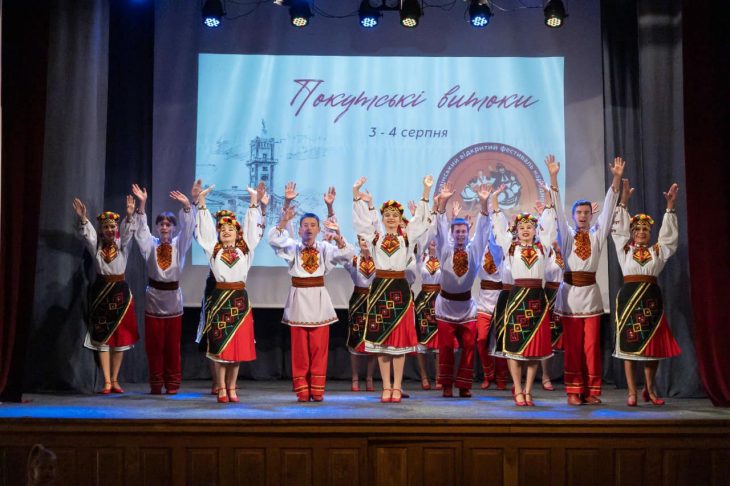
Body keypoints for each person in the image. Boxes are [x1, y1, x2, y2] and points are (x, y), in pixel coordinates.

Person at [547, 154, 625, 405]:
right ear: (573, 216)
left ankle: (590, 390)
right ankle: (573, 390)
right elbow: (557, 211)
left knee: (591, 346)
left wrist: (616, 179)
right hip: (570, 296)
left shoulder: (597, 235)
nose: (582, 216)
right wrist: (554, 177)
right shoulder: (567, 235)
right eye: (578, 212)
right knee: (573, 346)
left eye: (586, 212)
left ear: (591, 215)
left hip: (591, 296)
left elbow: (609, 209)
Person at [268, 183, 354, 402]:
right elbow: (274, 239)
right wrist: (285, 213)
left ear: (318, 230)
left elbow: (347, 254)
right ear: (299, 230)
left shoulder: (325, 248)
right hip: (298, 300)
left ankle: (317, 388)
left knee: (319, 347)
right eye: (305, 225)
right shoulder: (293, 248)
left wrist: (333, 217)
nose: (308, 228)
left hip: (318, 300)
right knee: (299, 349)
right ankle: (302, 389)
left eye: (313, 225)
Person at [352, 175, 433, 403]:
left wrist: (426, 191)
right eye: (387, 215)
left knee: (399, 343)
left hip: (400, 289)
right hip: (380, 290)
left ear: (400, 219)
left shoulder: (407, 237)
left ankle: (397, 387)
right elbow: (361, 223)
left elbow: (421, 221)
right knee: (382, 344)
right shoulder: (375, 237)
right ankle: (386, 387)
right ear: (382, 218)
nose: (390, 218)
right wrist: (356, 195)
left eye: (395, 215)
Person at [612, 180, 681, 406]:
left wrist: (670, 207)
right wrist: (623, 201)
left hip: (651, 300)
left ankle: (649, 389)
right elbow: (618, 231)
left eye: (645, 229)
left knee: (652, 346)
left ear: (650, 233)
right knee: (629, 345)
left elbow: (669, 239)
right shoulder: (624, 249)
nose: (641, 232)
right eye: (637, 229)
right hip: (629, 299)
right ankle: (632, 392)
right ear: (632, 233)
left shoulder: (657, 251)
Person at [195, 182, 265, 403]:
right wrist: (202, 202)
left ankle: (232, 387)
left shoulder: (245, 249)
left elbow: (253, 230)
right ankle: (222, 388)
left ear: (237, 233)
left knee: (236, 349)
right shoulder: (213, 250)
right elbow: (205, 231)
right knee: (220, 347)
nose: (226, 232)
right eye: (223, 229)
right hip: (219, 300)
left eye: (230, 229)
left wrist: (253, 202)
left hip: (239, 301)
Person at [491, 185, 556, 406]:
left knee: (534, 349)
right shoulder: (511, 247)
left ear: (535, 230)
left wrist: (549, 198)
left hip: (537, 298)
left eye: (530, 226)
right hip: (517, 298)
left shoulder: (542, 247)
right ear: (516, 230)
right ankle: (518, 389)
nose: (526, 230)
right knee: (514, 347)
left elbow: (549, 223)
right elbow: (499, 226)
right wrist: (495, 200)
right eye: (522, 227)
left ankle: (528, 390)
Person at [130, 183, 195, 395]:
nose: (165, 228)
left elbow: (189, 230)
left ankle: (173, 383)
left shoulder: (179, 245)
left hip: (173, 299)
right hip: (154, 299)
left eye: (168, 224)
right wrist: (142, 203)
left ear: (174, 228)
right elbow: (141, 231)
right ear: (157, 227)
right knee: (154, 345)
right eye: (161, 224)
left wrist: (186, 206)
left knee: (172, 346)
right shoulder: (151, 244)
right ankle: (156, 383)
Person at [431, 182, 492, 398]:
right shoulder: (445, 251)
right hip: (446, 307)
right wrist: (443, 204)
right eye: (456, 231)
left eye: (463, 231)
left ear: (467, 233)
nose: (460, 235)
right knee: (446, 348)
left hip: (466, 308)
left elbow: (483, 233)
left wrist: (484, 204)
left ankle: (465, 385)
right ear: (452, 233)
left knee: (468, 347)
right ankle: (447, 385)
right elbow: (439, 232)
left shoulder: (474, 251)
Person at [73, 196, 139, 394]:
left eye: (113, 227)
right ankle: (107, 381)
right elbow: (88, 235)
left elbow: (128, 233)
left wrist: (129, 216)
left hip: (120, 293)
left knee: (120, 338)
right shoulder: (97, 245)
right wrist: (83, 218)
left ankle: (115, 379)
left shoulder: (122, 244)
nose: (110, 230)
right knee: (102, 337)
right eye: (106, 227)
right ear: (101, 230)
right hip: (101, 292)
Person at [344, 235, 378, 392]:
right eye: (362, 240)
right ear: (358, 242)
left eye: (368, 239)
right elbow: (342, 254)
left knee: (373, 340)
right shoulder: (354, 260)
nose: (365, 243)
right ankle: (355, 377)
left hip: (374, 301)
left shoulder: (379, 261)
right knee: (355, 339)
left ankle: (369, 378)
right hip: (358, 302)